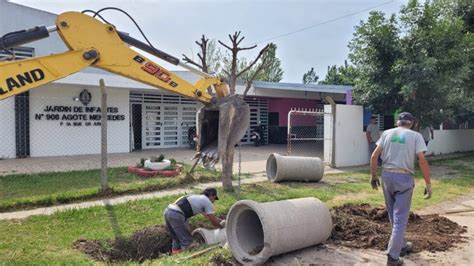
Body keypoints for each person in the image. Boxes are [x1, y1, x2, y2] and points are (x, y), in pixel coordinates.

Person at [370, 112, 432, 266]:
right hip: (404, 178)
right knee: (400, 219)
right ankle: (393, 257)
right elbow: (422, 161)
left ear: (398, 122)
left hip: (387, 177)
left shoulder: (386, 133)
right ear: (411, 123)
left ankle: (402, 245)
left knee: (393, 215)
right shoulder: (415, 136)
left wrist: (373, 176)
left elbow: (374, 156)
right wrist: (428, 184)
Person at [164, 187, 225, 255]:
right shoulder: (207, 201)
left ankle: (175, 254)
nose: (213, 201)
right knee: (186, 240)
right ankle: (185, 256)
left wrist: (219, 220)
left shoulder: (197, 197)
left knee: (176, 238)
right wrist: (221, 226)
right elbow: (213, 221)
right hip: (177, 214)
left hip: (168, 212)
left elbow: (207, 216)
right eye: (214, 199)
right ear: (211, 195)